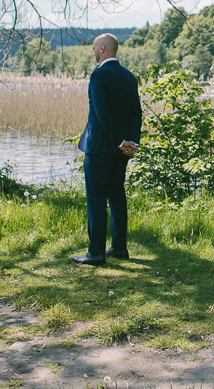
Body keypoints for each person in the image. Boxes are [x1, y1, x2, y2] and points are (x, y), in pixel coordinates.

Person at [72, 33, 142, 266]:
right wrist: (131, 142)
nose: (93, 52)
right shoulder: (129, 77)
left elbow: (102, 114)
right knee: (117, 196)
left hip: (100, 149)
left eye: (94, 48)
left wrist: (119, 142)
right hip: (120, 151)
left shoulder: (98, 76)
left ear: (102, 48)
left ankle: (96, 253)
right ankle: (120, 248)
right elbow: (136, 113)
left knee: (96, 200)